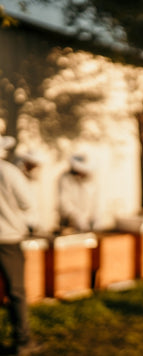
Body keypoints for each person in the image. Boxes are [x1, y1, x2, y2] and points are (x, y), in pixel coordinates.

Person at [0, 135, 43, 355]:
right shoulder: (8, 172)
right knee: (16, 291)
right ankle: (23, 341)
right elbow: (27, 203)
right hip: (8, 240)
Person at [57, 154, 98, 233]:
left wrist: (93, 220)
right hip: (70, 225)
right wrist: (76, 217)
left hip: (88, 225)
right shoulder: (65, 179)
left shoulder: (91, 181)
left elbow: (95, 202)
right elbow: (65, 203)